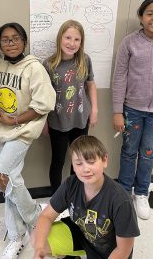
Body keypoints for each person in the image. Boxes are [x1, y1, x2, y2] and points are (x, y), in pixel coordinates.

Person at [0, 22, 56, 259]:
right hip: (1, 131)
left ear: (24, 41)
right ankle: (22, 229)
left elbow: (43, 104)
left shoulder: (34, 67)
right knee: (10, 179)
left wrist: (14, 121)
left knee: (1, 175)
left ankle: (33, 223)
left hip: (23, 131)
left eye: (16, 38)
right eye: (5, 40)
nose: (11, 43)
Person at [112, 0, 153, 220]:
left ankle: (141, 193)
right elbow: (119, 78)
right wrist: (118, 110)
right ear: (141, 17)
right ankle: (124, 192)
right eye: (150, 13)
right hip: (132, 110)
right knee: (128, 152)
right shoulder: (129, 42)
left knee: (147, 153)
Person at [31, 135, 140, 259]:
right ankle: (70, 256)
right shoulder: (70, 184)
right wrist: (39, 247)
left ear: (104, 160)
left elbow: (123, 249)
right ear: (73, 165)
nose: (85, 169)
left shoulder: (120, 200)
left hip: (108, 252)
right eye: (79, 163)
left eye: (91, 162)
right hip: (82, 235)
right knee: (36, 237)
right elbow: (46, 216)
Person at [43, 20, 98, 194]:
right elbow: (43, 96)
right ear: (60, 38)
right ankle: (56, 196)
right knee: (58, 160)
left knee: (80, 159)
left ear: (81, 43)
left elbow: (90, 85)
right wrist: (43, 121)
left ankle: (76, 193)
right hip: (57, 121)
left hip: (81, 119)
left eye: (77, 39)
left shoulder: (84, 60)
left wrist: (94, 109)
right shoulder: (49, 64)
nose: (71, 43)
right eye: (68, 37)